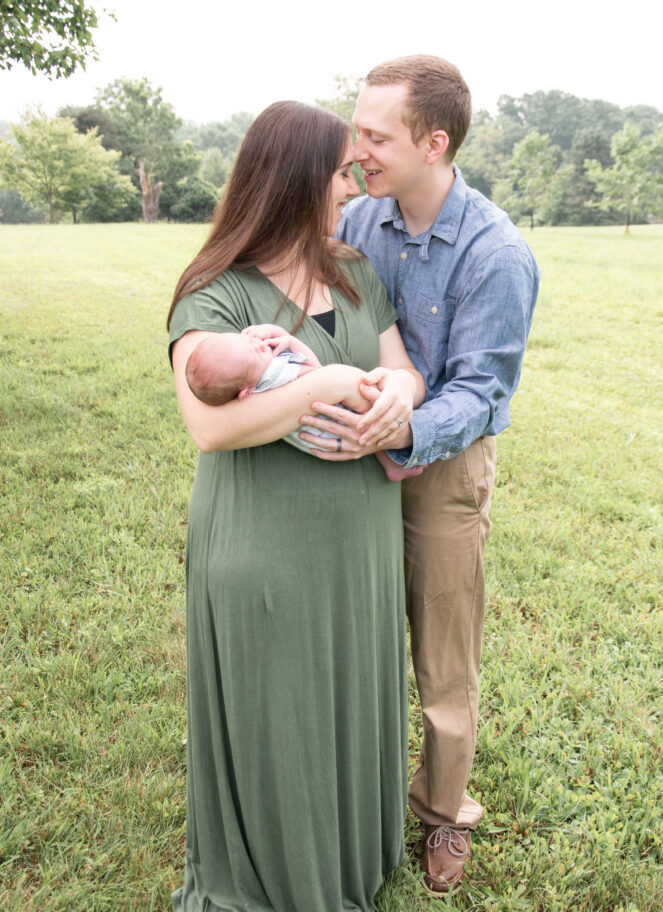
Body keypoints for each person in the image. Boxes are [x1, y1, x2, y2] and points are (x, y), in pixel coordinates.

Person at [167, 99, 425, 912]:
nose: (353, 183)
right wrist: (318, 385)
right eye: (341, 170)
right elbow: (208, 428)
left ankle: (351, 854)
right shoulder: (213, 293)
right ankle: (277, 879)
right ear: (294, 179)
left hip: (358, 539)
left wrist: (398, 399)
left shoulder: (350, 267)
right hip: (264, 544)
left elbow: (403, 367)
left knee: (348, 692)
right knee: (278, 714)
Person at [298, 56, 541, 897]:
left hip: (440, 468)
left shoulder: (495, 251)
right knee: (353, 639)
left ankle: (443, 816)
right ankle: (350, 797)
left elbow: (482, 389)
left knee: (442, 657)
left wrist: (400, 425)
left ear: (433, 143)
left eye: (374, 134)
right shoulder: (358, 219)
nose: (355, 147)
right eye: (354, 129)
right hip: (351, 461)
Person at [185, 325, 424, 481]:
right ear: (245, 391)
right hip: (327, 425)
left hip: (311, 434)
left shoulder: (253, 382)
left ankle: (389, 461)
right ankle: (394, 461)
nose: (259, 345)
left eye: (247, 341)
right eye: (255, 353)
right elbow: (316, 371)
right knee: (367, 410)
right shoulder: (275, 374)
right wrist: (289, 340)